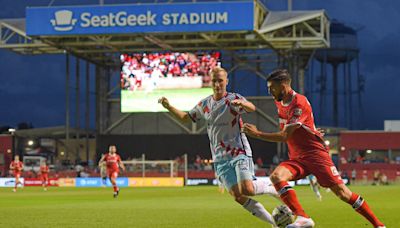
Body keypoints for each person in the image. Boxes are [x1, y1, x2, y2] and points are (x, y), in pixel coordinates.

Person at [243, 69, 385, 228]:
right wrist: (311, 129)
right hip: (297, 158)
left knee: (343, 193)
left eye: (272, 87)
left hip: (316, 156)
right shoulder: (279, 101)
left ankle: (378, 225)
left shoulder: (299, 103)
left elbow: (285, 136)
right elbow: (298, 126)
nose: (269, 91)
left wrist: (257, 133)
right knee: (276, 177)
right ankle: (303, 217)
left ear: (283, 86)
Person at [159, 67, 278, 226]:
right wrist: (169, 107)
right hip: (220, 158)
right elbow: (186, 118)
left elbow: (251, 108)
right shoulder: (204, 104)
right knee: (238, 196)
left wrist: (243, 103)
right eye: (214, 80)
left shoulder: (233, 99)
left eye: (220, 80)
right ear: (210, 82)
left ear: (226, 81)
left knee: (248, 189)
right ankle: (274, 223)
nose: (217, 84)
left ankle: (272, 187)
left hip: (238, 152)